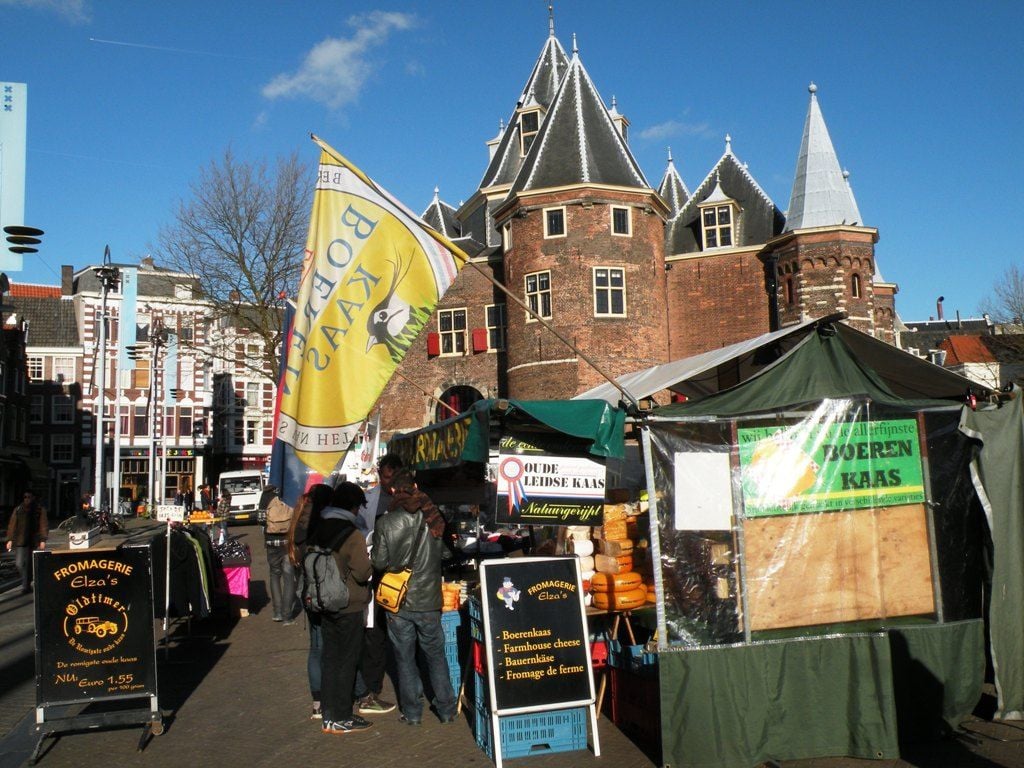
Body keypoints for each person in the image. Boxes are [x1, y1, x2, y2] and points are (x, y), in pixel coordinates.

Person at [371, 470, 456, 726]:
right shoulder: (432, 518)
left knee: (404, 658)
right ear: (416, 487)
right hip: (429, 600)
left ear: (394, 491)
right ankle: (446, 710)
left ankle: (412, 713)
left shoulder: (386, 523)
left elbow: (379, 562)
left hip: (399, 603)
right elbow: (446, 555)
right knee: (436, 655)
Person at [309, 481, 373, 734]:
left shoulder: (319, 525)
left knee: (330, 659)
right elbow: (362, 571)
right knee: (346, 661)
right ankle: (342, 716)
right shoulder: (351, 533)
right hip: (348, 603)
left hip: (323, 601)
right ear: (354, 506)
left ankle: (328, 714)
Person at [289, 483, 334, 720]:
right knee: (327, 645)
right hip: (324, 592)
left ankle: (317, 701)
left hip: (305, 591)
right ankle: (331, 697)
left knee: (315, 646)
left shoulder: (298, 524)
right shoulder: (322, 527)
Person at [260, 484, 295, 623]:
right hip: (287, 543)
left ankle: (277, 612)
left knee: (274, 575)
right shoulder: (288, 495)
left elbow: (260, 520)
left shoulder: (266, 496)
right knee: (288, 578)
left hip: (271, 543)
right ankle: (287, 616)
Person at [5, 491, 48, 594]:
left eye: (29, 497)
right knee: (19, 564)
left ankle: (26, 586)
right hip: (20, 540)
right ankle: (27, 580)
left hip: (32, 541)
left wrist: (42, 540)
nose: (27, 499)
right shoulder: (18, 509)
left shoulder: (39, 510)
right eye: (25, 497)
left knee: (28, 564)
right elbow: (12, 525)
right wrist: (9, 539)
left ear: (33, 498)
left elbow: (43, 525)